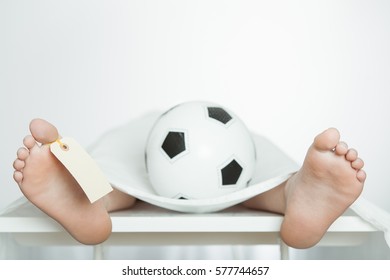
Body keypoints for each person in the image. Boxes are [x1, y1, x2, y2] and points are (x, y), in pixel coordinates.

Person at [12, 118, 366, 249]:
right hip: (239, 162)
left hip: (239, 152)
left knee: (110, 170)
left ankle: (93, 196)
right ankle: (293, 193)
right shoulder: (232, 134)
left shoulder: (236, 139)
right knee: (264, 173)